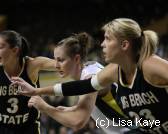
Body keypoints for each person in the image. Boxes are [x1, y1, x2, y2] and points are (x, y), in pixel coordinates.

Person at [12, 18, 168, 134]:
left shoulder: (148, 64)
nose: (102, 44)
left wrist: (45, 107)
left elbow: (78, 120)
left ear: (124, 45)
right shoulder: (110, 72)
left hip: (129, 129)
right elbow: (84, 88)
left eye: (107, 39)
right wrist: (37, 91)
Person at [12, 32, 131, 133]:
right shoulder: (92, 66)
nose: (56, 65)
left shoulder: (89, 76)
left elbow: (77, 122)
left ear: (77, 59)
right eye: (55, 60)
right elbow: (102, 102)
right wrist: (73, 108)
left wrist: (45, 107)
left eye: (61, 60)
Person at [0, 30, 56, 134]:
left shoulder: (31, 65)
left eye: (0, 47)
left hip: (26, 129)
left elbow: (60, 64)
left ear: (15, 50)